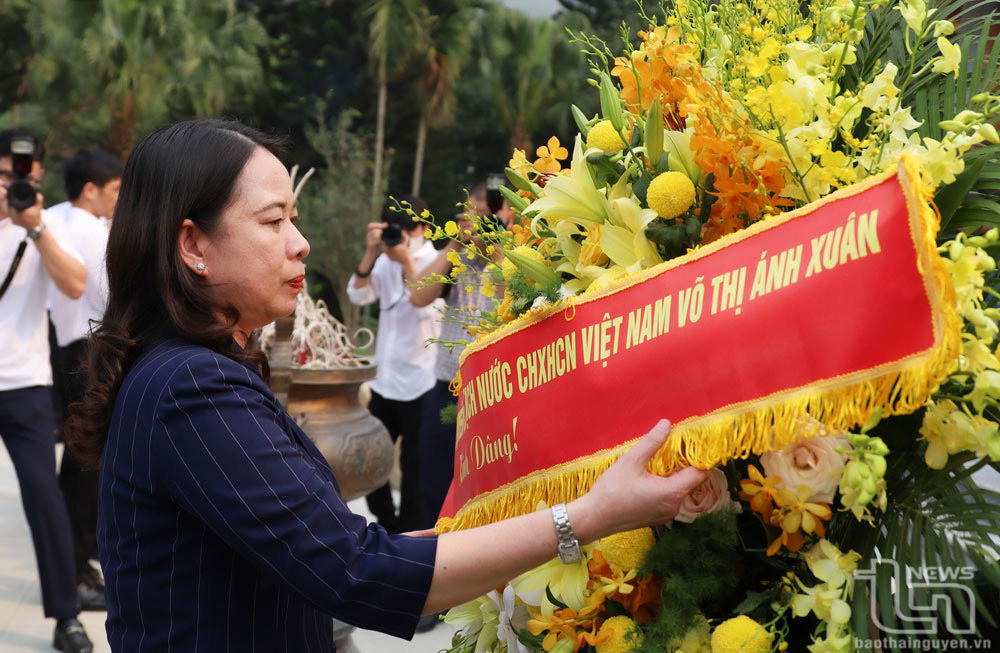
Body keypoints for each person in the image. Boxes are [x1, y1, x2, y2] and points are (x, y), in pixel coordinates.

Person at [64, 118, 707, 652]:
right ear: (193, 246)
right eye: (272, 222)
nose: (302, 244)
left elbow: (305, 542)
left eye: (296, 217)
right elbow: (353, 570)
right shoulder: (190, 387)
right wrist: (590, 517)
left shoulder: (187, 369)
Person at [0, 128, 94, 652]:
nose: (16, 188)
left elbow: (76, 284)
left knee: (45, 499)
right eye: (8, 177)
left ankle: (66, 618)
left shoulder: (42, 229)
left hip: (25, 386)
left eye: (27, 180)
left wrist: (34, 228)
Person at [47, 148, 123, 612]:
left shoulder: (54, 220)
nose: (119, 199)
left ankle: (78, 563)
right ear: (90, 189)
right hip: (87, 353)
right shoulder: (91, 229)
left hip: (62, 350)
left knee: (76, 465)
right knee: (81, 467)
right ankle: (76, 570)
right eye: (115, 190)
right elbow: (112, 296)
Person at [410, 189, 508, 529]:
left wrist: (496, 248)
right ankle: (430, 550)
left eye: (486, 217)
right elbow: (418, 295)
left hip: (494, 391)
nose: (478, 225)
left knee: (489, 483)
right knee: (434, 481)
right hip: (446, 387)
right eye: (471, 216)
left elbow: (509, 293)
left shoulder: (511, 258)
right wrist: (454, 244)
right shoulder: (455, 258)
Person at [346, 196, 440, 533]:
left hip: (421, 381)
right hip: (385, 382)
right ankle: (386, 522)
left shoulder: (437, 262)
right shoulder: (384, 261)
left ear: (423, 229)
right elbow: (357, 294)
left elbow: (426, 308)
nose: (399, 237)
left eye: (405, 229)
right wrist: (372, 253)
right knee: (370, 459)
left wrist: (407, 265)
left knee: (415, 467)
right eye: (393, 229)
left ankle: (407, 533)